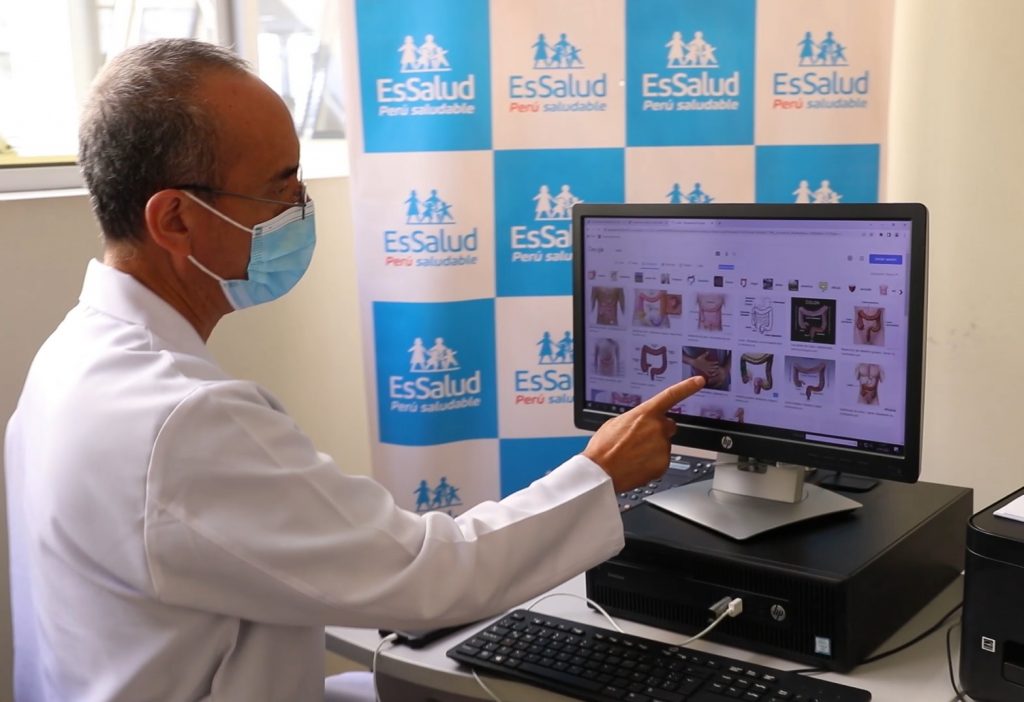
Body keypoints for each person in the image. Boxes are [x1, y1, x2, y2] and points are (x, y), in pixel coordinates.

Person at [4, 39, 706, 702]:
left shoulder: (74, 357)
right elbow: (430, 577)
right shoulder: (183, 420)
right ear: (176, 220)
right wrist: (600, 473)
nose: (301, 207)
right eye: (278, 188)